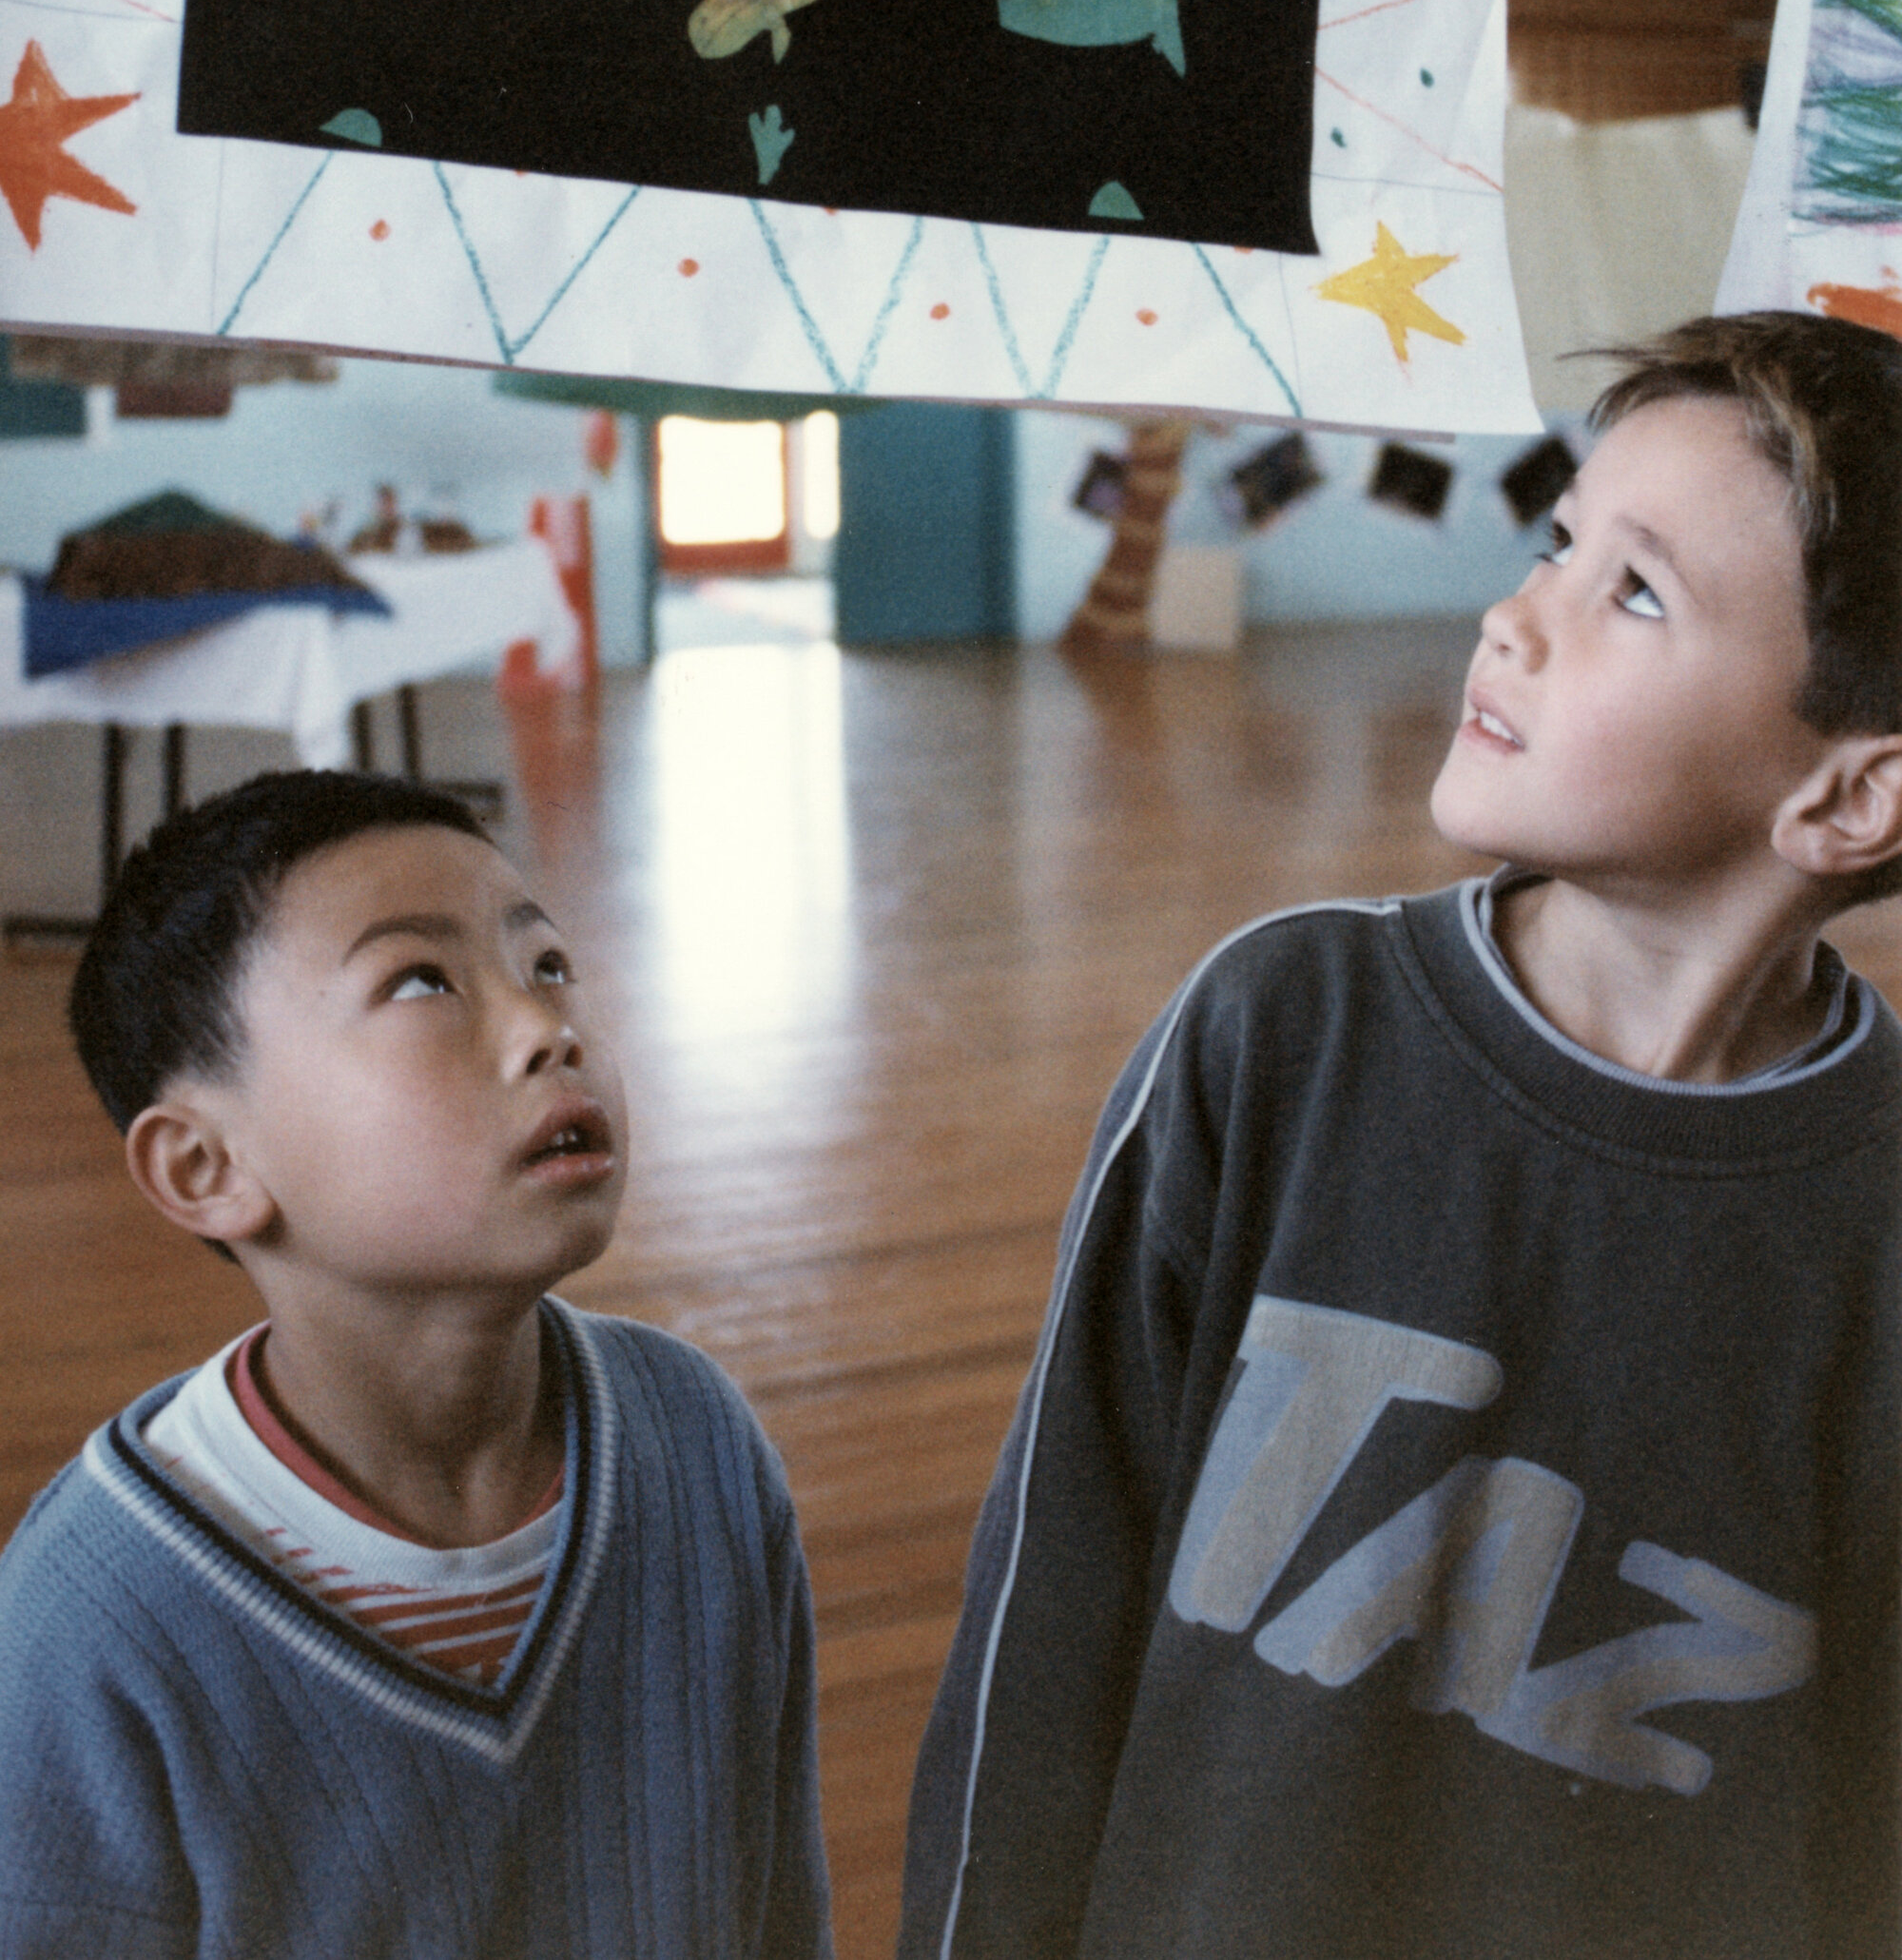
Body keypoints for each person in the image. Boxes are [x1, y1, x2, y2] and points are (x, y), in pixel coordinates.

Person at [900, 311, 1901, 1960]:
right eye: (1556, 543)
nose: (1514, 616)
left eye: (1633, 591)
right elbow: (1043, 1617)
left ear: (1847, 801)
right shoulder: (1276, 1031)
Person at [0, 769, 832, 1960]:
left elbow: (776, 1912)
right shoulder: (94, 1630)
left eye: (546, 963)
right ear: (202, 1167)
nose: (551, 1026)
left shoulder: (693, 1437)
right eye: (421, 980)